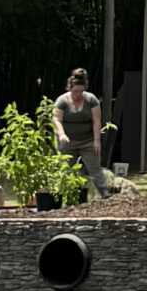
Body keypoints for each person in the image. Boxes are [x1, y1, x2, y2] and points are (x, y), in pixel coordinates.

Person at [52, 69, 108, 197]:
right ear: (70, 88)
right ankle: (66, 196)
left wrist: (97, 140)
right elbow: (56, 120)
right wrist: (62, 134)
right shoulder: (62, 101)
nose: (78, 94)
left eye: (81, 91)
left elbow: (96, 120)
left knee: (95, 169)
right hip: (67, 141)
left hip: (87, 140)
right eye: (75, 91)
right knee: (67, 169)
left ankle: (106, 194)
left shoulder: (91, 100)